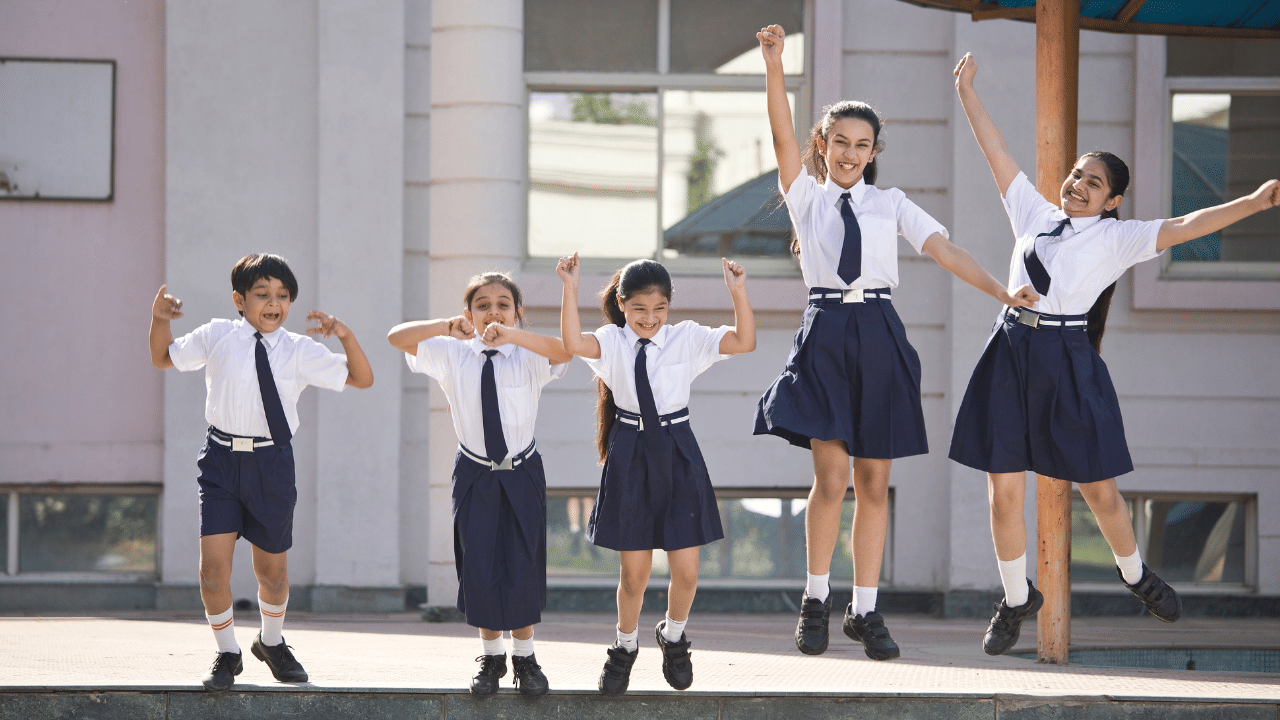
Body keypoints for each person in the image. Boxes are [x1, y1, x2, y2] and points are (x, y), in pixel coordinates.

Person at [949, 52, 1280, 655]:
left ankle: (1136, 576)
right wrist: (968, 89)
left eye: (1093, 182)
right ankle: (1017, 596)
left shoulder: (1119, 238)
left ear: (1112, 201)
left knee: (1097, 489)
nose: (1077, 184)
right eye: (1076, 174)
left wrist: (1254, 202)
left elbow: (1188, 223)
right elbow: (996, 154)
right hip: (1010, 349)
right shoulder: (1033, 214)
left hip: (1068, 358)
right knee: (1001, 490)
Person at [751, 26, 1039, 661]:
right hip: (826, 334)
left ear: (875, 149)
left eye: (863, 144)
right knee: (831, 479)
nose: (851, 154)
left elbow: (945, 251)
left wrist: (1000, 290)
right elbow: (779, 130)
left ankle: (866, 611)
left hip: (880, 334)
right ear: (821, 146)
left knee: (874, 482)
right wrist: (776, 65)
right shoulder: (805, 198)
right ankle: (815, 598)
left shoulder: (892, 204)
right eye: (839, 143)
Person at [148, 253, 374, 691]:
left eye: (283, 296)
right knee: (212, 570)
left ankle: (271, 642)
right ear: (239, 299)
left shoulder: (299, 350)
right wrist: (160, 319)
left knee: (272, 572)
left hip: (272, 463)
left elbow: (362, 378)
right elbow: (163, 357)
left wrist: (343, 334)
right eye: (263, 294)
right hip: (220, 461)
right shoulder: (217, 336)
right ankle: (228, 653)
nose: (274, 304)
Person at [558, 253, 755, 694]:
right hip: (630, 453)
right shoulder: (611, 342)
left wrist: (737, 290)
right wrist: (570, 288)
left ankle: (673, 636)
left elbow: (744, 342)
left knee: (686, 573)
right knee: (634, 576)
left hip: (677, 449)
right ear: (623, 305)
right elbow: (573, 343)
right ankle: (625, 647)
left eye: (659, 309)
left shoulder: (686, 338)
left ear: (670, 306)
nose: (650, 318)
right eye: (640, 309)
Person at [388, 272, 571, 697]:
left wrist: (513, 336)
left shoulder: (528, 354)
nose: (493, 311)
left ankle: (525, 658)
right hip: (475, 472)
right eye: (483, 304)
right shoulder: (454, 353)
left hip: (522, 471)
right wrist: (443, 327)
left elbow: (566, 350)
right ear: (468, 313)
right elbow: (397, 338)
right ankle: (491, 658)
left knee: (522, 565)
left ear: (518, 313)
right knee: (480, 567)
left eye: (504, 304)